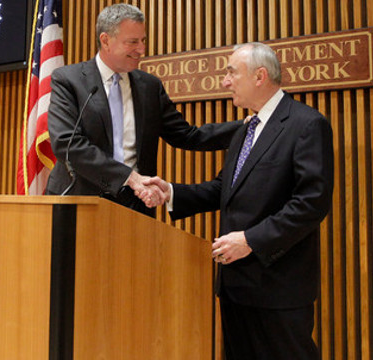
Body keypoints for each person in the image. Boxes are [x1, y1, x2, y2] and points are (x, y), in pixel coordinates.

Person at [140, 42, 334, 359]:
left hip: (278, 286)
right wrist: (171, 192)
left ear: (260, 76)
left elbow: (311, 203)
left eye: (231, 72)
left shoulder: (306, 124)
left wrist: (250, 240)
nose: (225, 81)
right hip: (236, 285)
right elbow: (224, 188)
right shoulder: (246, 129)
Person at [45, 3, 241, 215]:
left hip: (135, 205)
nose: (142, 49)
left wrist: (243, 128)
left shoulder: (150, 86)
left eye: (143, 40)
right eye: (133, 42)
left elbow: (186, 135)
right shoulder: (68, 80)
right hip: (78, 200)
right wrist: (130, 177)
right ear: (105, 40)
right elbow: (67, 143)